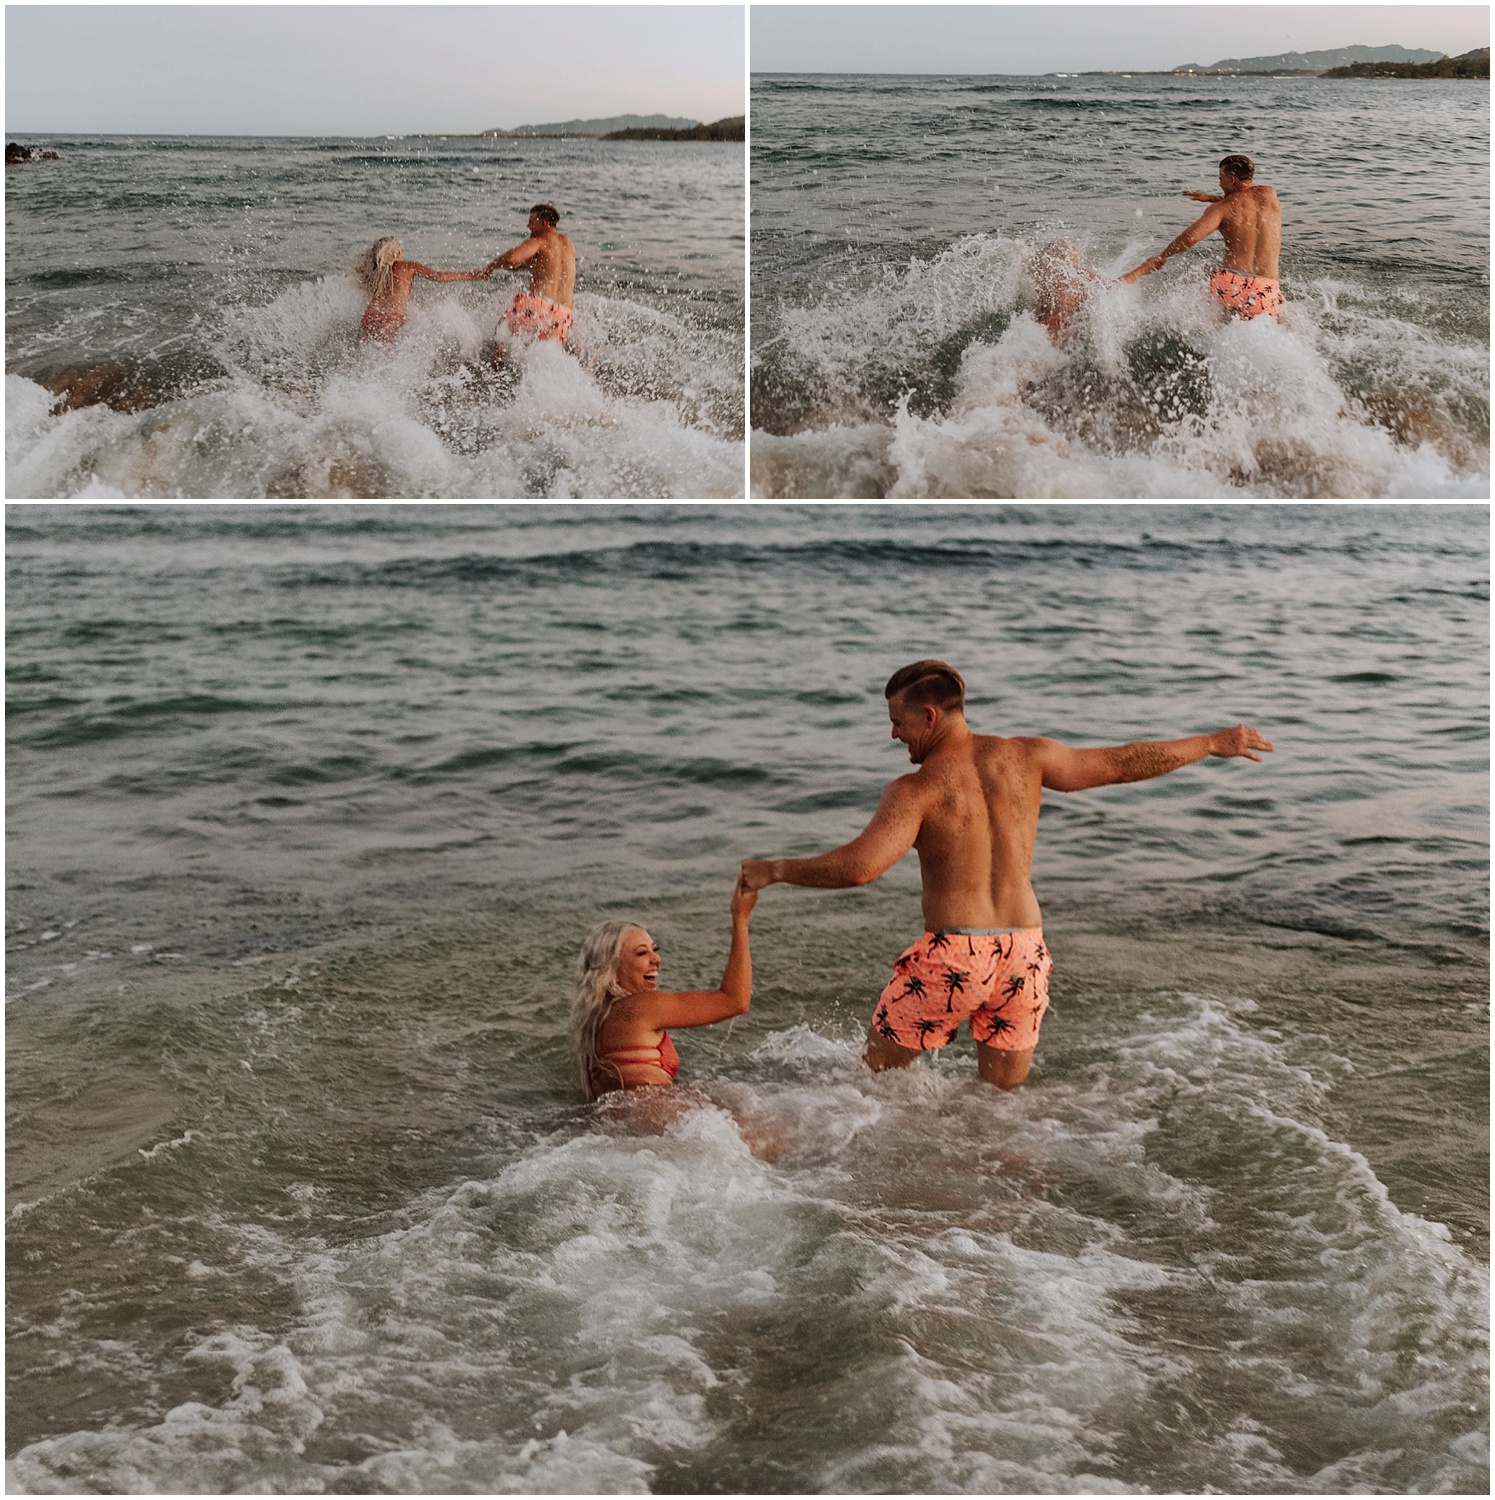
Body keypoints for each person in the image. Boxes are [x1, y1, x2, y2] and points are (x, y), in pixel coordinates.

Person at [741, 660, 1274, 1089]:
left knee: (870, 1087)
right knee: (1001, 1108)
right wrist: (1209, 743)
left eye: (897, 722)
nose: (893, 734)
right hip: (1025, 954)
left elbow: (860, 868)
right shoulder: (1029, 757)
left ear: (929, 717)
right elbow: (1122, 763)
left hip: (954, 957)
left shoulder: (916, 789)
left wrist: (777, 869)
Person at [571, 875, 756, 1100]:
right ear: (613, 971)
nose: (656, 959)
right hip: (666, 1119)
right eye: (641, 953)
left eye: (654, 949)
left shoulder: (595, 1026)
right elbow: (735, 1000)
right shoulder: (641, 1007)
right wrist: (741, 918)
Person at [1120, 154, 1284, 321]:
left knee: (1225, 329)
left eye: (1221, 178)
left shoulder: (1220, 209)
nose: (1219, 183)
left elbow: (1190, 239)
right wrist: (1210, 197)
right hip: (1267, 285)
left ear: (1232, 180)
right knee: (1270, 328)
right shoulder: (1268, 194)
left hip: (1233, 282)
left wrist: (1163, 255)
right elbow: (1246, 202)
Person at [482, 204, 577, 360]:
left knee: (502, 334)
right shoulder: (568, 243)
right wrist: (522, 266)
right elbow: (549, 267)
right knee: (544, 359)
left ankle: (496, 377)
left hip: (538, 307)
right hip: (563, 317)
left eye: (531, 222)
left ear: (544, 224)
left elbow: (513, 258)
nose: (528, 226)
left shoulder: (539, 240)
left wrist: (490, 267)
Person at [354, 236, 489, 341]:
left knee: (369, 359)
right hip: (392, 319)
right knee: (387, 363)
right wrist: (471, 275)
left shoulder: (377, 273)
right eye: (400, 250)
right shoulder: (408, 266)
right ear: (396, 253)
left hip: (369, 318)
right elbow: (439, 276)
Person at [1028, 238, 1099, 344]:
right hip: (1063, 325)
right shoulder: (1078, 274)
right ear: (1068, 257)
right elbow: (1114, 284)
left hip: (1044, 325)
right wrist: (1134, 272)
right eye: (1072, 248)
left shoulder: (1046, 278)